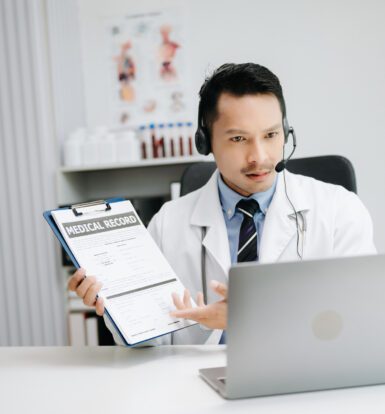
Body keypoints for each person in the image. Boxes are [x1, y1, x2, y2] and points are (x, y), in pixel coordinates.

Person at [68, 63, 377, 345]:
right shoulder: (168, 223)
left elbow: (360, 322)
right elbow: (151, 348)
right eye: (239, 139)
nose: (260, 156)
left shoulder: (339, 211)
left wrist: (249, 316)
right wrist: (118, 309)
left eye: (271, 135)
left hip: (303, 386)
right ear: (205, 142)